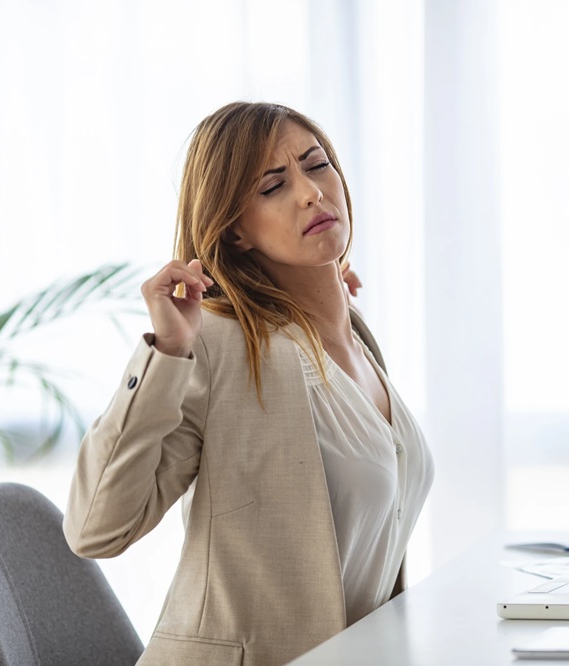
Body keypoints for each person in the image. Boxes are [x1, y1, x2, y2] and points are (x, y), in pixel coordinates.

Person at [63, 101, 434, 666]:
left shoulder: (356, 336)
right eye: (272, 186)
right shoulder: (215, 343)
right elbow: (96, 528)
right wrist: (169, 351)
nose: (311, 192)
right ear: (234, 232)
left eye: (317, 164)